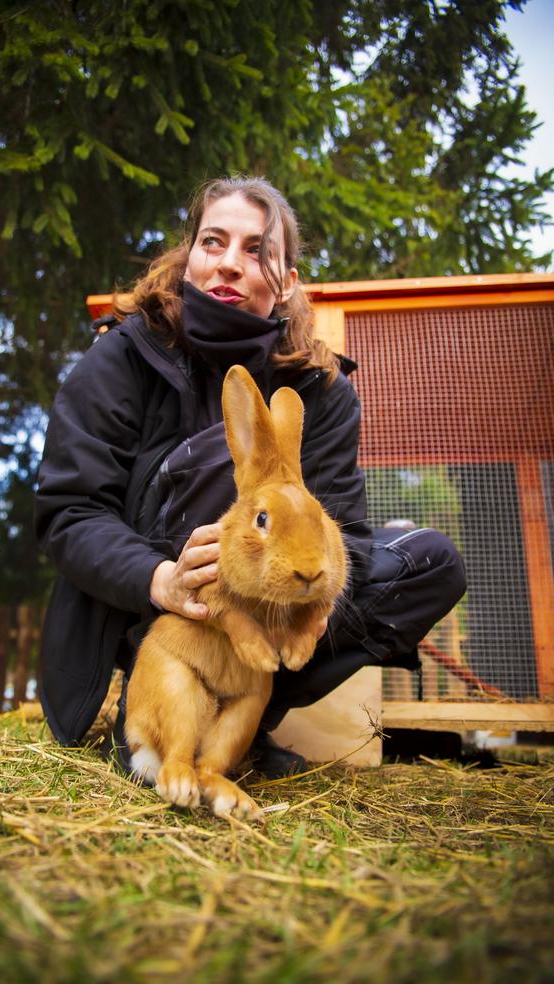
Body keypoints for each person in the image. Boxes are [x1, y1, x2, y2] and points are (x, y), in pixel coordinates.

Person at [34, 175, 466, 776]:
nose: (230, 263)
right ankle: (157, 707)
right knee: (230, 470)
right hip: (151, 610)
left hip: (276, 608)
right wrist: (162, 579)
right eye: (213, 243)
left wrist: (320, 604)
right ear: (189, 260)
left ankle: (240, 729)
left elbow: (345, 523)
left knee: (432, 563)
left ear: (287, 282)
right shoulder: (123, 356)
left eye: (257, 249)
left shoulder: (323, 389)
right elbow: (70, 510)